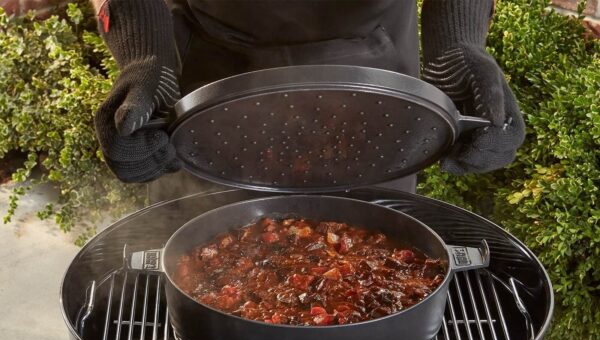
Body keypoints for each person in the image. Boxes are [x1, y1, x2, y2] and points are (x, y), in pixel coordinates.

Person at [92, 0, 525, 196]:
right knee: (191, 250)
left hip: (375, 88)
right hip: (212, 81)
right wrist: (143, 51)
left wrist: (458, 40)